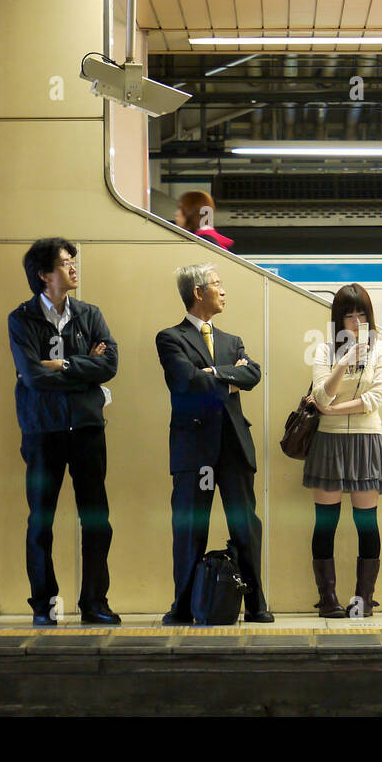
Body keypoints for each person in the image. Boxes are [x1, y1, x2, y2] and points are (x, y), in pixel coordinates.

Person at [7, 238, 121, 626]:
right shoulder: (21, 319)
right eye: (65, 263)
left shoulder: (90, 314)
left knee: (97, 519)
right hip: (42, 430)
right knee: (41, 519)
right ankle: (44, 605)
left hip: (87, 427)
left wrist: (60, 366)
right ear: (44, 275)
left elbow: (110, 366)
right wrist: (82, 365)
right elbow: (33, 377)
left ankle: (95, 603)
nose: (74, 268)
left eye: (74, 261)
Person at [156, 263, 272, 624]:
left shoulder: (231, 340)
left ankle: (255, 604)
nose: (223, 290)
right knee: (190, 528)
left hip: (233, 447)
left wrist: (216, 374)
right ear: (197, 292)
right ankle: (184, 605)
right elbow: (185, 382)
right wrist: (228, 379)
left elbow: (252, 374)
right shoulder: (170, 338)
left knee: (246, 527)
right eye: (217, 284)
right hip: (195, 451)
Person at [303, 284, 382, 617]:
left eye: (361, 315)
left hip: (366, 440)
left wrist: (332, 410)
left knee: (366, 522)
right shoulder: (325, 351)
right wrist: (344, 361)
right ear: (338, 319)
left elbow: (374, 401)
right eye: (348, 316)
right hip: (328, 442)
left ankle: (364, 599)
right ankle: (327, 599)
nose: (355, 323)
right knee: (325, 522)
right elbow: (321, 394)